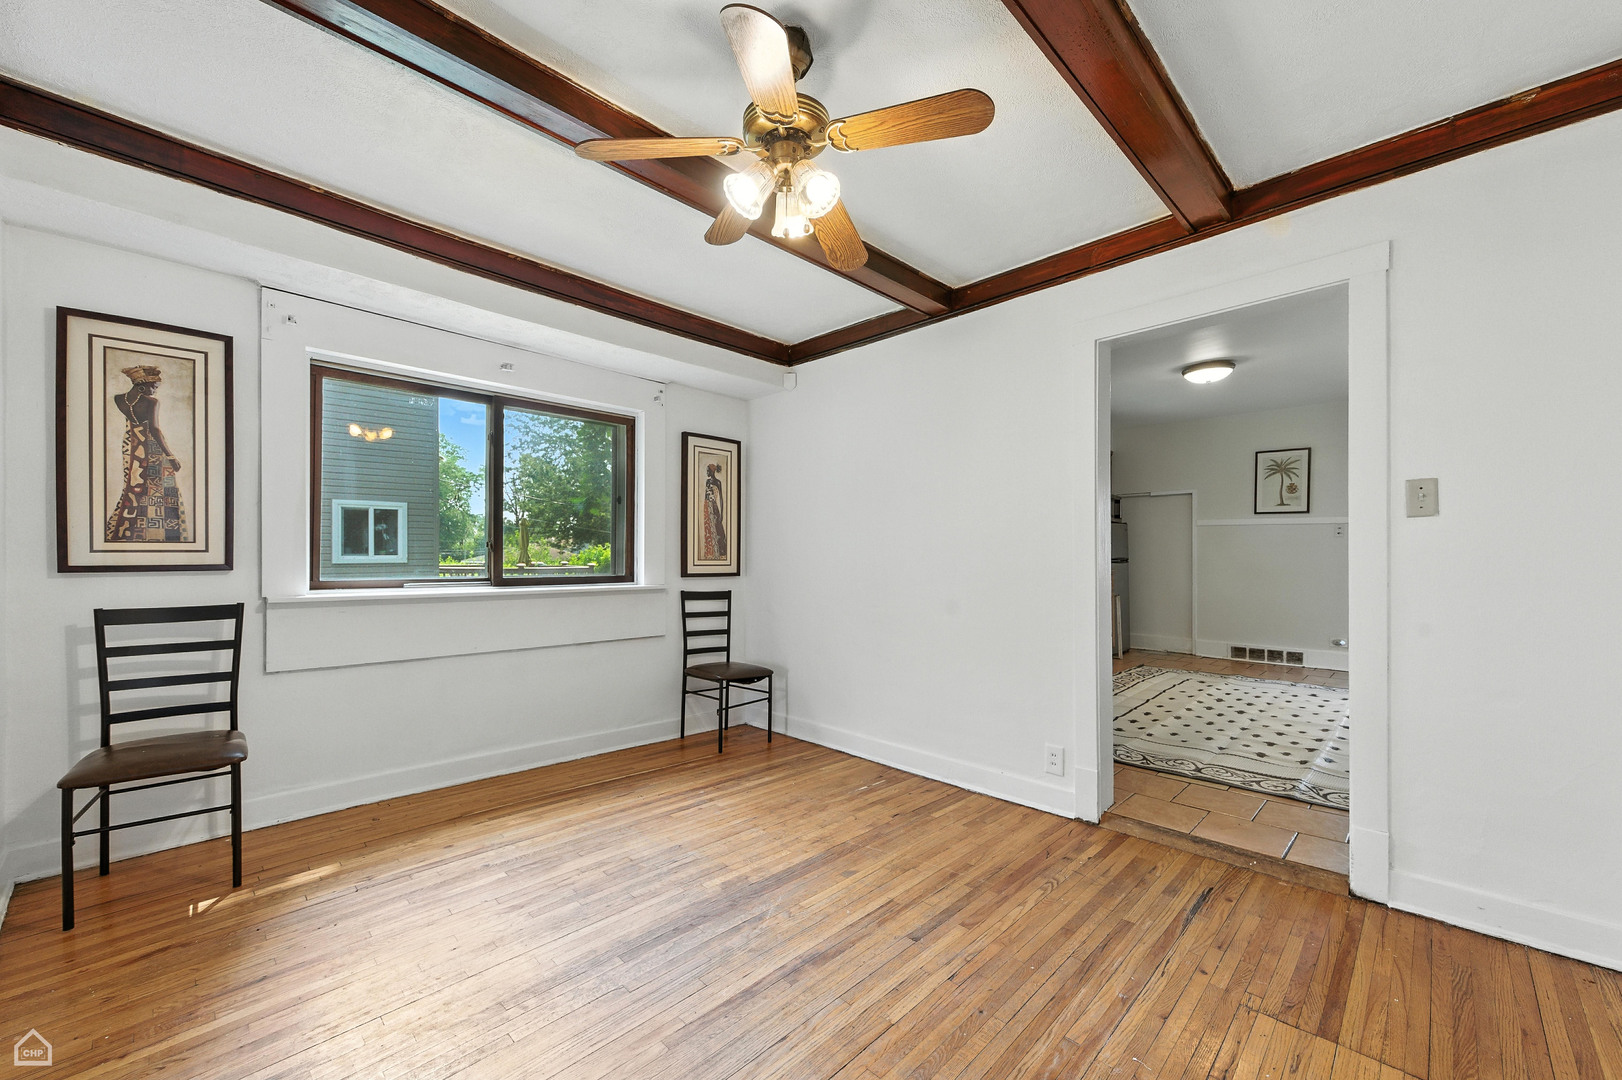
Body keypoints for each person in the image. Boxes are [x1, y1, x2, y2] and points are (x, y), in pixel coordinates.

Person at [107, 364, 188, 543]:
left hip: (132, 445)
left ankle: (131, 529)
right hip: (153, 448)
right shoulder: (151, 402)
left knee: (134, 487)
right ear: (142, 386)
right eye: (154, 387)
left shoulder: (119, 399)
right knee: (164, 491)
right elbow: (155, 429)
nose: (155, 391)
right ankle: (166, 534)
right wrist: (170, 456)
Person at [702, 462, 727, 561]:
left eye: (708, 470)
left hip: (714, 507)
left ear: (712, 471)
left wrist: (722, 515)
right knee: (708, 529)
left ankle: (720, 552)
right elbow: (706, 497)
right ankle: (710, 553)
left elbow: (721, 499)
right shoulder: (707, 482)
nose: (707, 472)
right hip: (707, 507)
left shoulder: (718, 482)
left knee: (718, 529)